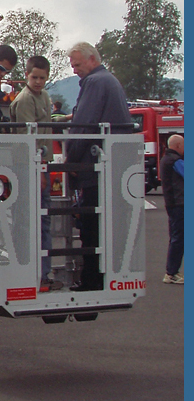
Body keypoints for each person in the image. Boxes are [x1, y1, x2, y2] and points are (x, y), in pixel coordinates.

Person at [64, 41, 132, 291]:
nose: (74, 70)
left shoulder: (94, 83)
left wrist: (71, 159)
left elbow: (85, 124)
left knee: (91, 229)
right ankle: (105, 277)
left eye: (77, 64)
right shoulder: (110, 81)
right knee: (106, 228)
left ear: (92, 60)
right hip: (112, 165)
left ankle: (91, 281)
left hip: (95, 169)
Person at [10, 55, 54, 290]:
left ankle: (42, 271)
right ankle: (30, 270)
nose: (38, 81)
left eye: (42, 78)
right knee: (28, 220)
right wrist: (39, 171)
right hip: (29, 166)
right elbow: (29, 139)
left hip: (42, 163)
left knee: (42, 220)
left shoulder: (45, 96)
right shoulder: (26, 99)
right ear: (26, 75)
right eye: (34, 77)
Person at [159, 134, 184, 285]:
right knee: (178, 238)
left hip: (173, 204)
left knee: (176, 237)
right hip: (179, 204)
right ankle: (171, 273)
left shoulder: (166, 159)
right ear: (178, 146)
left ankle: (172, 271)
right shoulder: (175, 161)